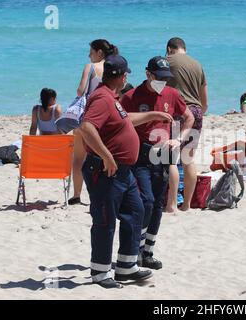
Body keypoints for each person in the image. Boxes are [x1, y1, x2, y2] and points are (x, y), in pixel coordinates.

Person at [80, 54, 174, 289]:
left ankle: (126, 267)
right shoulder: (102, 98)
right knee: (105, 221)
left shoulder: (112, 97)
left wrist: (153, 115)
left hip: (124, 172)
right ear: (122, 76)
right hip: (106, 170)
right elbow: (87, 126)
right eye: (125, 74)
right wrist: (106, 155)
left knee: (136, 210)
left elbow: (124, 120)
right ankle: (100, 273)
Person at [121, 56, 194, 270]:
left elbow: (189, 117)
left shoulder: (172, 94)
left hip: (163, 153)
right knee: (146, 201)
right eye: (159, 77)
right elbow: (120, 119)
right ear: (148, 74)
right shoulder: (131, 96)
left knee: (157, 205)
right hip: (140, 154)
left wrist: (179, 138)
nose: (163, 82)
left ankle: (148, 252)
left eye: (166, 78)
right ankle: (136, 249)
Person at [69, 39, 119, 206]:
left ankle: (76, 195)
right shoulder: (114, 67)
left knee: (78, 159)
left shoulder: (90, 67)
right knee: (103, 156)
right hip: (107, 118)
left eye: (91, 52)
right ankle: (102, 193)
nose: (89, 55)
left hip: (88, 116)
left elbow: (80, 90)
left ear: (99, 52)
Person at [165, 37, 207, 213]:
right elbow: (204, 97)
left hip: (178, 110)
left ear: (169, 48)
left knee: (170, 159)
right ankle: (187, 204)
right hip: (196, 111)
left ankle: (172, 203)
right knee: (188, 158)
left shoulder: (166, 62)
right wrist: (200, 112)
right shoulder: (197, 64)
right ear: (184, 48)